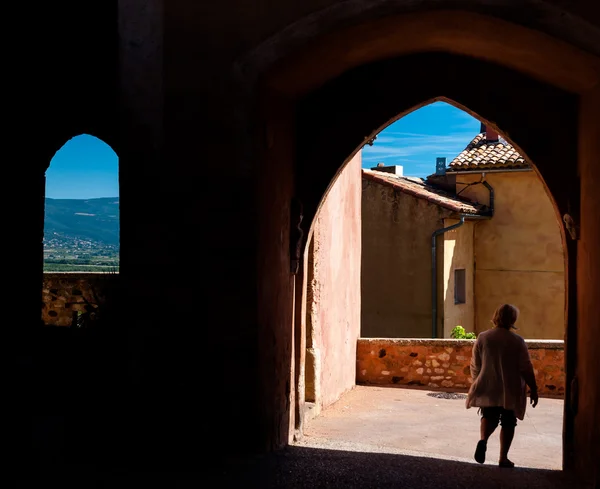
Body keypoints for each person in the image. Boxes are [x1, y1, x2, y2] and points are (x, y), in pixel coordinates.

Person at [465, 303, 539, 468]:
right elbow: (526, 367)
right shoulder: (517, 341)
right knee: (508, 421)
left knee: (488, 415)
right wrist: (533, 388)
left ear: (495, 316)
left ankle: (483, 440)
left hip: (489, 385)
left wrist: (479, 381)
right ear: (513, 319)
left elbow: (475, 364)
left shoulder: (483, 337)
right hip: (510, 389)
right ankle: (503, 458)